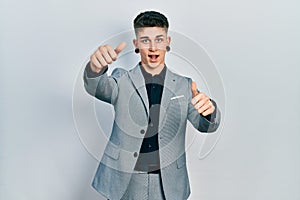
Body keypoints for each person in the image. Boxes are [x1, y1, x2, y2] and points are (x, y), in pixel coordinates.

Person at [83, 10, 221, 200]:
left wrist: (209, 112)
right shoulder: (121, 79)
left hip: (168, 182)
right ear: (136, 44)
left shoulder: (185, 85)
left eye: (159, 39)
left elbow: (205, 125)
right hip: (127, 180)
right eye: (146, 40)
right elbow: (97, 86)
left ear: (168, 42)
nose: (153, 47)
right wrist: (95, 69)